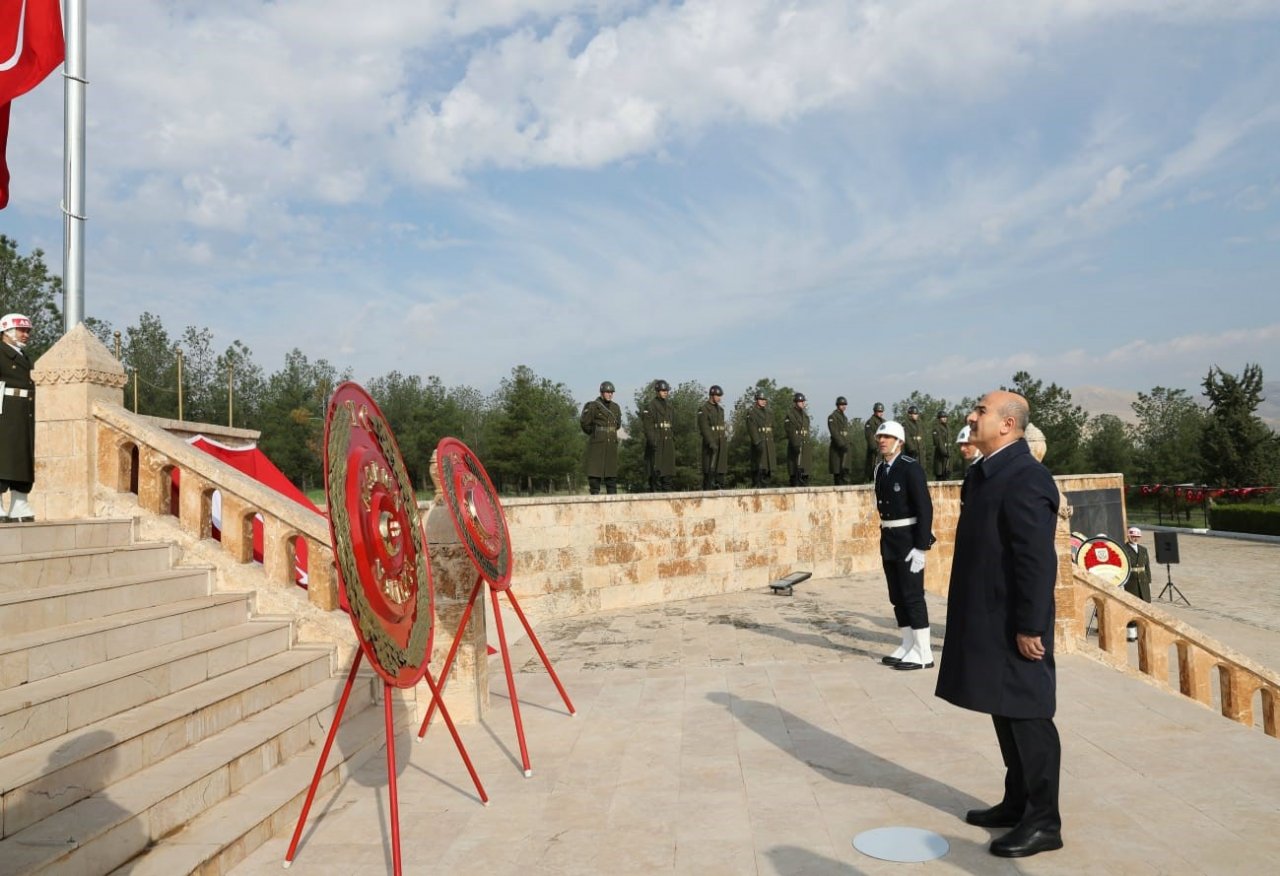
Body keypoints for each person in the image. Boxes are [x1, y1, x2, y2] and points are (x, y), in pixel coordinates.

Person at [935, 390, 1064, 859]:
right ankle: (1017, 802)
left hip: (1016, 622)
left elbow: (1036, 561)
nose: (971, 416)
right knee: (1003, 708)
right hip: (988, 616)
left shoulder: (1027, 477)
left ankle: (1044, 821)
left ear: (1008, 424)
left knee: (1029, 715)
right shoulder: (987, 475)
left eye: (982, 411)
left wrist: (1030, 626)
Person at [872, 420, 935, 671]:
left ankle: (924, 652)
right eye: (880, 437)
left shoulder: (911, 468)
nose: (882, 441)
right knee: (896, 596)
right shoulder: (880, 470)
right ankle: (908, 644)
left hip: (909, 539)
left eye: (887, 437)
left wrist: (921, 547)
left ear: (899, 441)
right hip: (889, 537)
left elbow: (925, 509)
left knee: (912, 595)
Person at [0, 313, 37, 523]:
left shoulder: (24, 356)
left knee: (22, 455)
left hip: (24, 410)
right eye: (22, 330)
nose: (26, 335)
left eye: (28, 331)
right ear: (7, 331)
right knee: (3, 456)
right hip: (4, 411)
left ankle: (19, 502)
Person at [580, 381, 622, 495]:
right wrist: (595, 434)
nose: (610, 394)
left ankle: (613, 503)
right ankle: (594, 499)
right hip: (597, 443)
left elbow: (618, 424)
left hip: (611, 444)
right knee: (595, 474)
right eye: (607, 392)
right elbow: (585, 423)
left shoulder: (616, 407)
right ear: (602, 392)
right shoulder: (593, 406)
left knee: (611, 475)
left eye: (611, 392)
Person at [641, 379, 676, 491]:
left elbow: (672, 425)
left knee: (668, 476)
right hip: (657, 443)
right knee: (656, 477)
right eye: (663, 390)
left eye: (666, 390)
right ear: (657, 391)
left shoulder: (669, 407)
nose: (665, 392)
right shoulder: (650, 406)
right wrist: (654, 442)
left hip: (668, 443)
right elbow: (648, 428)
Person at [1123, 526, 1152, 641]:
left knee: (1144, 607)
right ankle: (1131, 633)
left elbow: (1147, 567)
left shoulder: (1143, 549)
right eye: (1133, 536)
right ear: (1129, 536)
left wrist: (1149, 581)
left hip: (1143, 582)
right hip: (1131, 582)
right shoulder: (1123, 549)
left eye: (1137, 537)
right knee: (1131, 608)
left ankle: (1143, 631)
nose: (1135, 539)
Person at [697, 385, 728, 489]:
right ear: (712, 395)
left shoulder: (720, 410)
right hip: (710, 444)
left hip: (721, 443)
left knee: (720, 472)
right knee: (709, 472)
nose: (719, 398)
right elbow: (704, 427)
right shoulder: (704, 409)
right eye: (717, 395)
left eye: (720, 396)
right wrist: (711, 442)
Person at [747, 390, 776, 488]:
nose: (764, 401)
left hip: (768, 443)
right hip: (759, 443)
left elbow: (772, 427)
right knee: (759, 470)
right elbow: (752, 428)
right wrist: (757, 442)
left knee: (768, 470)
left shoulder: (769, 412)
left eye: (765, 399)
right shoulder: (752, 413)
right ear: (756, 400)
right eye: (761, 399)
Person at [784, 392, 812, 486]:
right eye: (801, 401)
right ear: (796, 402)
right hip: (796, 447)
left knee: (805, 475)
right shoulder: (790, 415)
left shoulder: (805, 416)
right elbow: (791, 431)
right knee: (795, 476)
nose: (803, 403)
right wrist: (796, 444)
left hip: (804, 447)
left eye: (803, 401)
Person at [827, 396, 852, 485]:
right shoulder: (832, 417)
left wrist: (848, 443)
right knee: (838, 473)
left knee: (845, 472)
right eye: (842, 404)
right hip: (837, 448)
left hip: (845, 447)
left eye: (845, 404)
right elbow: (834, 433)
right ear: (837, 405)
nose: (844, 406)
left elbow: (846, 432)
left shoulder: (844, 418)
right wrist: (842, 444)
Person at [863, 402, 885, 481]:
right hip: (875, 450)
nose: (880, 413)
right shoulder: (870, 423)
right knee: (874, 468)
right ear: (875, 411)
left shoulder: (884, 422)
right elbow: (870, 437)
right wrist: (875, 448)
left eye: (881, 411)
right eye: (878, 411)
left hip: (884, 450)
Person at [931, 411, 952, 480]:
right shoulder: (937, 428)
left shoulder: (948, 427)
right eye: (943, 417)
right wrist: (944, 452)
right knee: (940, 474)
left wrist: (949, 452)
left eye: (945, 417)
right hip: (940, 454)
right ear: (939, 418)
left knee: (947, 473)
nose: (944, 419)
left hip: (948, 453)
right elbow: (938, 442)